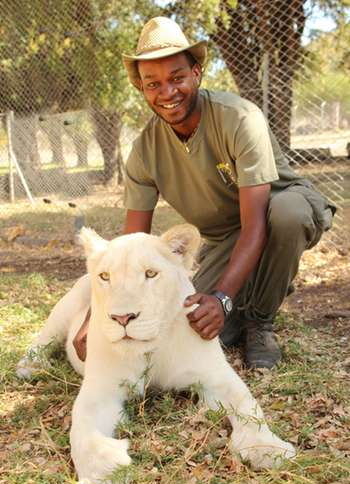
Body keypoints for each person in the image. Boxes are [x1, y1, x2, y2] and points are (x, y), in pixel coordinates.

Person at [74, 16, 335, 369]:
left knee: (287, 216)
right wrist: (95, 315)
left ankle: (260, 321)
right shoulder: (144, 151)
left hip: (275, 211)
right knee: (193, 327)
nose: (167, 92)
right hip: (226, 238)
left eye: (177, 78)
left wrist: (223, 299)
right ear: (141, 87)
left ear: (196, 73)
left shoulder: (239, 118)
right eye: (153, 83)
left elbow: (255, 224)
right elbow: (129, 247)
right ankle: (263, 283)